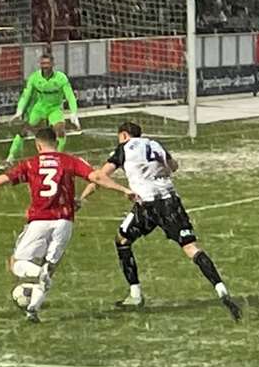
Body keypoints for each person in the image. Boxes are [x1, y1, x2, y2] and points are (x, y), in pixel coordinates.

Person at [0, 125, 132, 321]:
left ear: (38, 146)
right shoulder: (69, 161)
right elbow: (97, 177)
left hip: (40, 219)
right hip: (64, 222)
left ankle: (39, 274)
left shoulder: (30, 164)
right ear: (56, 143)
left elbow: (0, 180)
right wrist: (123, 190)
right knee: (50, 267)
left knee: (16, 264)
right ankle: (33, 309)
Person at [87, 121, 241, 320]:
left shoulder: (124, 148)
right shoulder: (154, 144)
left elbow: (100, 176)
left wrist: (85, 196)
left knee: (122, 240)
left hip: (148, 205)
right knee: (191, 247)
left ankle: (135, 294)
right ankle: (221, 290)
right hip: (171, 201)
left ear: (124, 135)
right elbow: (174, 166)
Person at [7, 53, 79, 162]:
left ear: (53, 64)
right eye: (42, 63)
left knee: (60, 130)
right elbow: (26, 95)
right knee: (24, 130)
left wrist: (73, 113)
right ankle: (10, 158)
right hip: (39, 108)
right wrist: (19, 110)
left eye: (47, 63)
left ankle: (56, 158)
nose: (45, 66)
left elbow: (70, 96)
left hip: (54, 108)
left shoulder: (61, 78)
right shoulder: (34, 77)